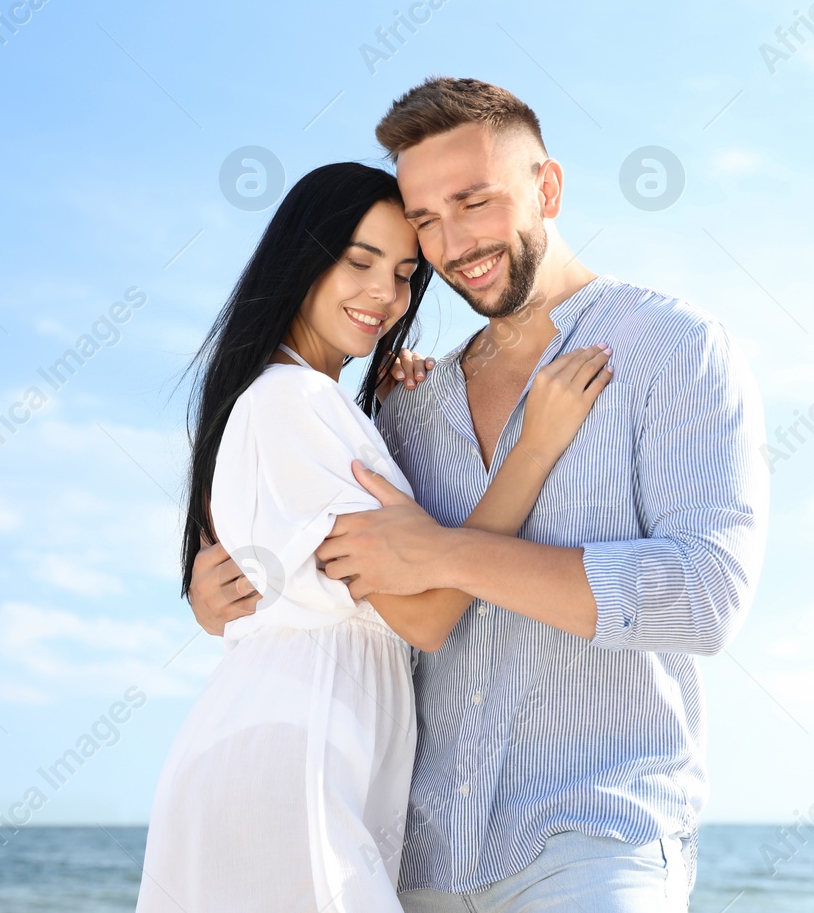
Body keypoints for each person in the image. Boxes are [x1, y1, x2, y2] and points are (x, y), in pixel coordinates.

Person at [191, 79, 769, 911]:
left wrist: (452, 549)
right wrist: (234, 598)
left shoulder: (671, 348)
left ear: (549, 188)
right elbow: (364, 592)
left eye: (474, 201)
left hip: (592, 841)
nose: (452, 242)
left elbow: (704, 599)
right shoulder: (405, 405)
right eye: (425, 219)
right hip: (413, 858)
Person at [136, 160, 615, 913]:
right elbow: (426, 615)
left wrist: (384, 413)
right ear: (301, 255)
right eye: (358, 262)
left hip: (305, 752)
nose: (385, 296)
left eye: (402, 273)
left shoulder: (316, 403)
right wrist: (534, 448)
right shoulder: (290, 401)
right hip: (294, 759)